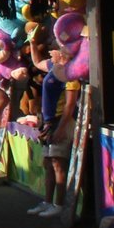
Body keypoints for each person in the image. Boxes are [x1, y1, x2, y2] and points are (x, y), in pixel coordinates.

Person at [31, 43, 78, 218]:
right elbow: (36, 62)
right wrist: (32, 39)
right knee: (48, 164)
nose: (51, 52)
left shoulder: (71, 76)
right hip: (48, 121)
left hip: (60, 121)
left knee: (58, 163)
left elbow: (70, 104)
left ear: (63, 54)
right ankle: (47, 201)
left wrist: (62, 127)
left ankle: (59, 203)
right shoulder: (53, 67)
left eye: (55, 50)